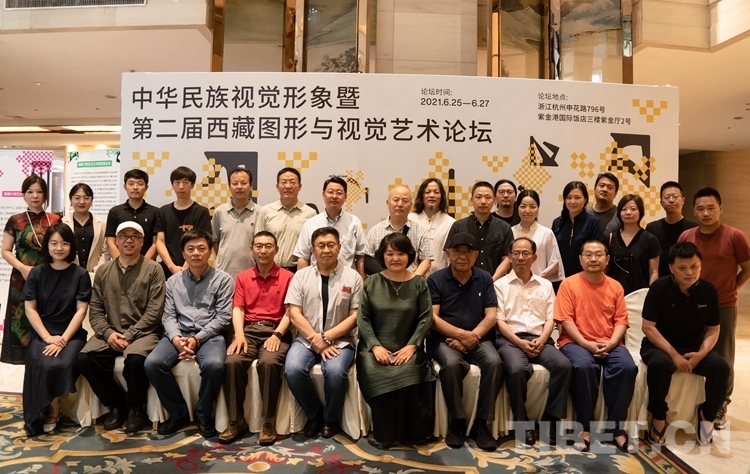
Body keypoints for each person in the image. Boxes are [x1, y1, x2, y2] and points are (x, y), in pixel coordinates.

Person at [77, 221, 165, 434]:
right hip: (111, 330)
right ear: (116, 241)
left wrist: (130, 335)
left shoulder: (154, 269)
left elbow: (155, 311)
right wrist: (108, 334)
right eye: (124, 236)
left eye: (135, 236)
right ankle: (116, 405)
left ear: (142, 242)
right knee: (86, 359)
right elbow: (96, 310)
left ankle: (136, 407)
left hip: (144, 332)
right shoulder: (103, 271)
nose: (129, 240)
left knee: (135, 360)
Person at [144, 229, 233, 438]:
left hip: (210, 335)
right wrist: (176, 339)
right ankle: (178, 412)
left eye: (201, 248)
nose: (196, 253)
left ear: (210, 252)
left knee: (214, 365)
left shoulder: (223, 280)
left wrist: (197, 339)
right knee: (152, 364)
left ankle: (203, 413)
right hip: (179, 333)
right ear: (183, 253)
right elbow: (168, 315)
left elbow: (223, 317)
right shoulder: (173, 282)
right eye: (190, 249)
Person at [641, 242, 729, 446]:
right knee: (659, 366)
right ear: (671, 268)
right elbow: (648, 327)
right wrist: (674, 355)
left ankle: (707, 415)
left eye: (694, 266)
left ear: (701, 265)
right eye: (682, 268)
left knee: (721, 367)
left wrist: (701, 354)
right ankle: (659, 418)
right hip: (660, 346)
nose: (689, 272)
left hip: (694, 347)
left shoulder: (709, 291)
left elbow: (713, 329)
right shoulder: (659, 288)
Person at [554, 240, 637, 453]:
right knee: (584, 367)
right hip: (575, 342)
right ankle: (584, 429)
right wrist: (585, 343)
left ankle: (616, 430)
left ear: (607, 259)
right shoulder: (568, 284)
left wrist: (612, 342)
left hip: (609, 342)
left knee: (627, 367)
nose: (593, 259)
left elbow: (621, 321)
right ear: (580, 259)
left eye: (598, 254)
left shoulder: (615, 286)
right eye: (588, 255)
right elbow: (565, 320)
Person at [678, 187, 750, 429]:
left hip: (723, 305)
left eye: (711, 208)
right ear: (694, 210)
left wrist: (732, 288)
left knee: (723, 357)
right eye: (700, 209)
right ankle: (694, 402)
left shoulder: (734, 236)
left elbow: (747, 268)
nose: (706, 213)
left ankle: (720, 406)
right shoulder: (687, 236)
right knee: (694, 352)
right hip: (690, 305)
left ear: (721, 208)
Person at [357, 233, 437, 448]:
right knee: (375, 371)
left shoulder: (419, 283)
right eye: (390, 253)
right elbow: (363, 318)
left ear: (409, 255)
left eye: (400, 253)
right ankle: (386, 435)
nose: (395, 258)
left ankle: (412, 434)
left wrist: (412, 346)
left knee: (410, 370)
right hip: (373, 348)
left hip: (407, 346)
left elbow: (426, 317)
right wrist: (375, 346)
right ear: (382, 256)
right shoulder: (371, 282)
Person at [427, 232, 504, 451]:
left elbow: (491, 316)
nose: (463, 255)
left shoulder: (484, 278)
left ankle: (482, 423)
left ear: (476, 255)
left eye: (468, 251)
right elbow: (433, 319)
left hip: (478, 339)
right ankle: (457, 421)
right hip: (445, 340)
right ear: (447, 253)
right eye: (457, 251)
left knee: (494, 362)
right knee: (451, 364)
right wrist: (462, 335)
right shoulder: (435, 280)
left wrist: (473, 337)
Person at [285, 227, 362, 438]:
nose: (326, 250)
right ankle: (314, 415)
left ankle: (330, 418)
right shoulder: (301, 276)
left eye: (331, 245)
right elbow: (294, 313)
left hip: (340, 340)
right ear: (312, 249)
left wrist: (327, 338)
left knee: (336, 373)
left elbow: (355, 316)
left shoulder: (353, 277)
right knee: (293, 369)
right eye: (321, 245)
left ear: (339, 247)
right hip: (306, 338)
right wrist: (315, 339)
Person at [219, 231, 294, 445]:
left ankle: (268, 422)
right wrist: (239, 335)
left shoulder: (288, 277)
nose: (263, 250)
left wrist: (277, 335)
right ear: (251, 249)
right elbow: (238, 308)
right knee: (233, 361)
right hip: (249, 331)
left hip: (276, 331)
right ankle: (236, 421)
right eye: (259, 246)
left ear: (276, 250)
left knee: (269, 362)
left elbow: (291, 311)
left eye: (268, 246)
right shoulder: (243, 277)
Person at [494, 237, 571, 446]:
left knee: (563, 366)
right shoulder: (500, 285)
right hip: (510, 340)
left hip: (540, 339)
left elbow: (550, 318)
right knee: (517, 369)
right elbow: (499, 321)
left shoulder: (545, 285)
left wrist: (543, 339)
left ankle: (550, 420)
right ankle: (522, 422)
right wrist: (519, 342)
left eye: (526, 253)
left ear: (534, 257)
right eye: (516, 253)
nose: (521, 257)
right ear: (510, 257)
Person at [21, 224, 91, 436]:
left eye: (64, 243)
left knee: (61, 363)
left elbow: (81, 311)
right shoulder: (36, 273)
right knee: (42, 363)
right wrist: (47, 337)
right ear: (47, 246)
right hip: (44, 332)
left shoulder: (80, 274)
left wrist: (62, 339)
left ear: (71, 246)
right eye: (54, 243)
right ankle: (45, 407)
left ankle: (53, 409)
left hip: (71, 334)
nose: (59, 248)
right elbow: (30, 308)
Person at [2, 174, 61, 364]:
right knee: (21, 317)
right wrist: (23, 268)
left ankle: (46, 353)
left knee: (47, 314)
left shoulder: (55, 219)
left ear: (45, 195)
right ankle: (20, 357)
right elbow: (5, 250)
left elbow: (62, 248)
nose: (35, 196)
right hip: (22, 278)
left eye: (39, 192)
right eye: (30, 192)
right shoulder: (15, 220)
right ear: (24, 195)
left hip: (49, 277)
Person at [293, 176, 366, 280]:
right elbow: (303, 257)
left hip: (346, 280)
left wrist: (361, 281)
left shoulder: (354, 222)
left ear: (345, 197)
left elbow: (360, 256)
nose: (334, 196)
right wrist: (302, 282)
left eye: (339, 193)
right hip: (316, 279)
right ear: (323, 195)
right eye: (330, 192)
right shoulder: (311, 223)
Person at [447, 181, 512, 281]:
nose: (483, 201)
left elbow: (507, 258)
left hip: (495, 283)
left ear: (494, 200)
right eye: (478, 197)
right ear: (471, 200)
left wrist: (492, 280)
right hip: (464, 283)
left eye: (488, 197)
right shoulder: (458, 226)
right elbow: (450, 256)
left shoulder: (504, 227)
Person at [154, 166, 212, 278]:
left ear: (192, 185)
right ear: (172, 185)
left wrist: (185, 269)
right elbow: (160, 241)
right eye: (177, 182)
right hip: (167, 269)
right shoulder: (163, 212)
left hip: (195, 269)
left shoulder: (201, 212)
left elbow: (205, 241)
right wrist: (172, 267)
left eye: (185, 182)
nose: (181, 186)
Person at [363, 185, 433, 276]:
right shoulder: (374, 231)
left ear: (411, 205)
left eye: (405, 201)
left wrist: (413, 280)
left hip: (411, 281)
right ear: (387, 203)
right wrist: (387, 278)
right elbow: (368, 260)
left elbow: (426, 260)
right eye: (396, 200)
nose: (400, 204)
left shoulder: (420, 231)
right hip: (383, 282)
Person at [258, 167, 316, 273]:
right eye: (284, 182)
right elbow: (258, 243)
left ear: (300, 186)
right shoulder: (266, 211)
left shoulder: (310, 213)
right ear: (277, 186)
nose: (288, 186)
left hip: (298, 270)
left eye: (292, 182)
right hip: (270, 270)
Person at [213, 166, 265, 279]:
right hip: (223, 273)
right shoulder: (219, 212)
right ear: (229, 186)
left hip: (252, 274)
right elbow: (215, 242)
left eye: (244, 183)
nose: (239, 187)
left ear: (251, 186)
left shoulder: (260, 212)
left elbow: (262, 244)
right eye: (235, 183)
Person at [605, 194, 661, 295]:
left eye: (633, 209)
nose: (628, 212)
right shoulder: (610, 237)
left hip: (640, 295)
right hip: (613, 293)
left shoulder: (650, 239)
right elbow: (605, 269)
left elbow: (654, 272)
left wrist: (650, 295)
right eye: (624, 209)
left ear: (640, 212)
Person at [551, 181, 603, 280]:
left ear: (585, 199)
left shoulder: (593, 222)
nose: (572, 201)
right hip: (559, 277)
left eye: (577, 197)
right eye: (569, 197)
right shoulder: (557, 223)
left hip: (585, 277)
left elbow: (597, 252)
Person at [645, 181, 698, 278]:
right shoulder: (652, 228)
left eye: (675, 197)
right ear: (661, 202)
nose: (671, 200)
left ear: (683, 200)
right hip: (659, 281)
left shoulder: (694, 228)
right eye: (667, 197)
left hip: (686, 279)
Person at [512, 189, 564, 282]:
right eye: (523, 206)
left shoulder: (546, 233)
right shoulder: (510, 232)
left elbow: (555, 264)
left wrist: (537, 280)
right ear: (517, 208)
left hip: (539, 284)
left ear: (538, 208)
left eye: (532, 207)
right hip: (513, 284)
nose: (527, 210)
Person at [105, 169, 158, 260]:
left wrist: (144, 265)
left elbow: (156, 243)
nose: (135, 187)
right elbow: (110, 242)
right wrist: (122, 263)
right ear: (125, 187)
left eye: (140, 184)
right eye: (131, 183)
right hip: (120, 265)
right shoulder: (115, 212)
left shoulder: (155, 212)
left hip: (147, 265)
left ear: (146, 187)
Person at [409, 178, 455, 277]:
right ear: (421, 196)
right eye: (427, 192)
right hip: (411, 278)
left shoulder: (451, 223)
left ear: (442, 196)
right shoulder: (410, 219)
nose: (432, 195)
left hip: (440, 279)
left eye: (436, 192)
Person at [62, 183, 108, 272]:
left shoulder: (101, 224)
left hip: (95, 273)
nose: (82, 201)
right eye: (77, 198)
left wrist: (97, 270)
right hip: (70, 273)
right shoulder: (63, 223)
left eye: (86, 198)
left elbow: (106, 250)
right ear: (71, 200)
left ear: (91, 200)